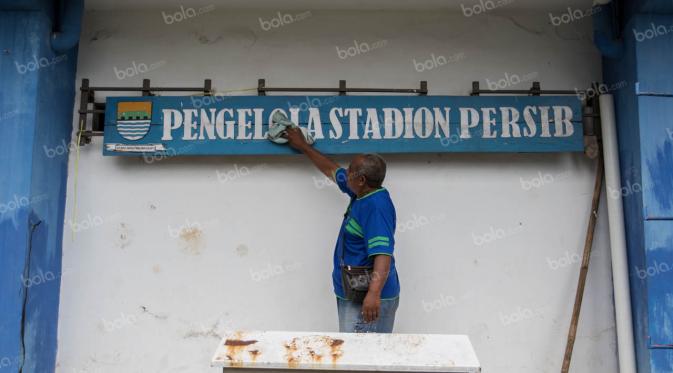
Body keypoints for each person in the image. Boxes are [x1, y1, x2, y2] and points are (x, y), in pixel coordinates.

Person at [283, 126, 400, 333]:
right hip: (353, 292)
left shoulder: (376, 207)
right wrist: (303, 147)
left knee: (362, 359)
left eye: (350, 170)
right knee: (353, 355)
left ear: (361, 180)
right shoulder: (361, 193)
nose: (345, 173)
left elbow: (383, 255)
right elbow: (332, 170)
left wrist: (373, 295)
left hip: (367, 299)